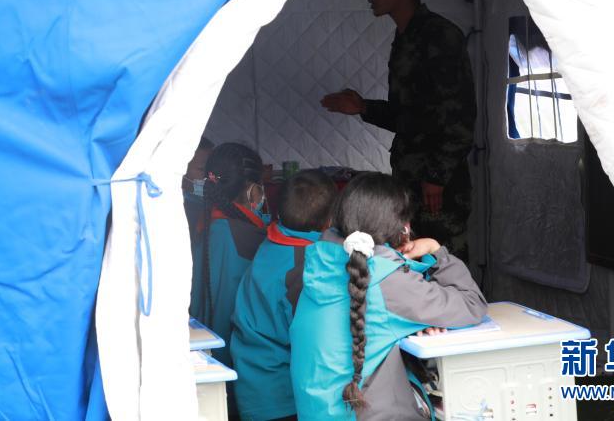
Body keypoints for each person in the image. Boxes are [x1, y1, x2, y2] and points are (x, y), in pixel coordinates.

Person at [320, 0, 476, 261]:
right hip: (410, 183)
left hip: (436, 188)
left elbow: (459, 116)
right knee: (412, 265)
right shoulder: (406, 37)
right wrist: (363, 107)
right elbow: (412, 116)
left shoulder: (439, 35)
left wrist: (436, 176)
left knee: (444, 263)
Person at [289, 172, 486, 420]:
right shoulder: (387, 281)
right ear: (403, 227)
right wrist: (436, 250)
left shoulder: (318, 263)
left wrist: (412, 323)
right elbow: (472, 304)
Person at [231, 170, 340, 421]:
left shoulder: (273, 242)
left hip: (253, 385)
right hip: (282, 397)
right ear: (330, 220)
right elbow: (316, 340)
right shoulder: (305, 265)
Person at [190, 142, 268, 368]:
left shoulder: (206, 222)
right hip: (234, 358)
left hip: (202, 349)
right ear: (253, 190)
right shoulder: (250, 236)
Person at [183, 136, 215, 245]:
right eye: (201, 169)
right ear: (181, 170)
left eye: (211, 169)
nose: (209, 176)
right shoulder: (181, 208)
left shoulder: (210, 204)